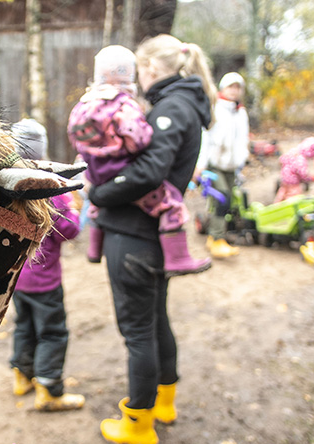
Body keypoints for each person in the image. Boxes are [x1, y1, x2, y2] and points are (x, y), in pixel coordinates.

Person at [87, 34, 215, 444]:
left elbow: (149, 171)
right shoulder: (182, 103)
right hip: (149, 235)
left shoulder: (172, 107)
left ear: (151, 68)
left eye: (140, 70)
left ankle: (138, 424)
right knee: (155, 321)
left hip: (133, 235)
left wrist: (98, 193)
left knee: (139, 332)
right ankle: (163, 403)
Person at [68, 44, 211, 277]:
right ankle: (178, 257)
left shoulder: (84, 104)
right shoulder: (127, 105)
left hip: (97, 171)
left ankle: (94, 247)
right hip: (129, 214)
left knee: (94, 207)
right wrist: (140, 143)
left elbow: (74, 135)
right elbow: (138, 141)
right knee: (172, 206)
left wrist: (90, 157)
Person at [8, 118, 86, 412]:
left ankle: (22, 376)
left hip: (16, 278)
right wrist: (74, 208)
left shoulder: (7, 185)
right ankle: (49, 390)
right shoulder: (50, 189)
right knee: (52, 332)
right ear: (41, 150)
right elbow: (70, 230)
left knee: (24, 326)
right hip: (45, 282)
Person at [196, 72, 249, 259]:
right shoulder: (215, 109)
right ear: (223, 88)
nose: (234, 91)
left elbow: (242, 139)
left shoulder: (240, 112)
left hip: (232, 166)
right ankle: (217, 237)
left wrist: (241, 161)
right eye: (230, 87)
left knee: (232, 199)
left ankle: (218, 233)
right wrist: (200, 165)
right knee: (222, 196)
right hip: (215, 164)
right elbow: (205, 137)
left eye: (237, 87)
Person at [274, 136, 314, 203]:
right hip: (294, 182)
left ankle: (277, 205)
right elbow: (302, 172)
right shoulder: (301, 158)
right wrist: (308, 178)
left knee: (282, 193)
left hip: (284, 179)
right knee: (293, 197)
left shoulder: (292, 151)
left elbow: (281, 159)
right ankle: (289, 207)